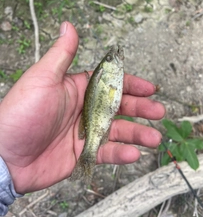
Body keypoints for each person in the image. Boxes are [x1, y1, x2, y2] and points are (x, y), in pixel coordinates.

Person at [0, 22, 165, 215]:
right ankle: (87, 157)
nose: (116, 57)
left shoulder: (110, 77)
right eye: (111, 59)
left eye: (110, 57)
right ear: (104, 71)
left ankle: (86, 159)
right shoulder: (107, 78)